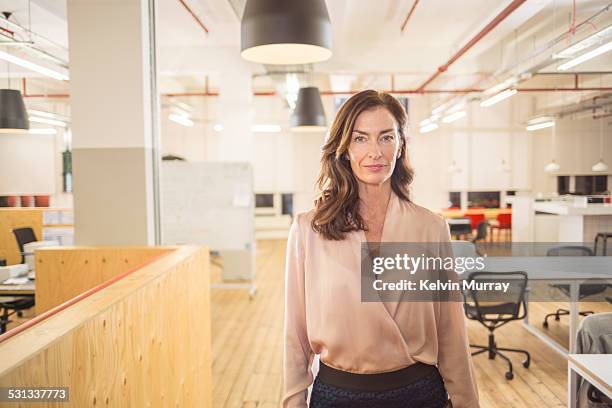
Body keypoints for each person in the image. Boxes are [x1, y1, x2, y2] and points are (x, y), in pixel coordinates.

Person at [283, 90, 479, 407]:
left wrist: (466, 401)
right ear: (344, 148)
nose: (375, 152)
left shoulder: (430, 228)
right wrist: (293, 400)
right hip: (338, 396)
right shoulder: (308, 230)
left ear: (400, 146)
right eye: (361, 139)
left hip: (419, 394)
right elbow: (295, 333)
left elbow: (451, 332)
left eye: (386, 137)